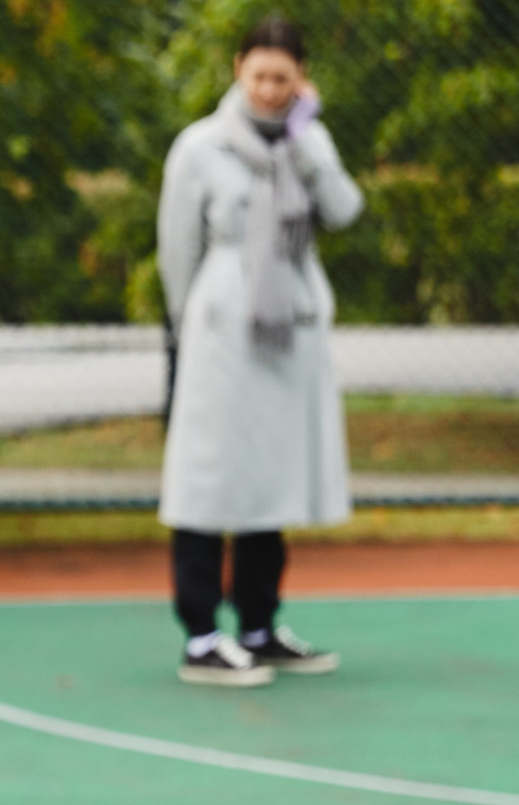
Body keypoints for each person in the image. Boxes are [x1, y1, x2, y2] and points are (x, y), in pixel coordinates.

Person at [156, 14, 363, 687]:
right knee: (211, 477)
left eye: (283, 78)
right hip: (224, 329)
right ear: (237, 70)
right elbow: (177, 248)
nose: (271, 90)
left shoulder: (309, 142)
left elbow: (343, 210)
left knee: (269, 478)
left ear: (301, 78)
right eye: (260, 76)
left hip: (290, 331)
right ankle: (202, 632)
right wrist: (191, 329)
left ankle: (258, 624)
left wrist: (308, 146)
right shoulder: (201, 147)